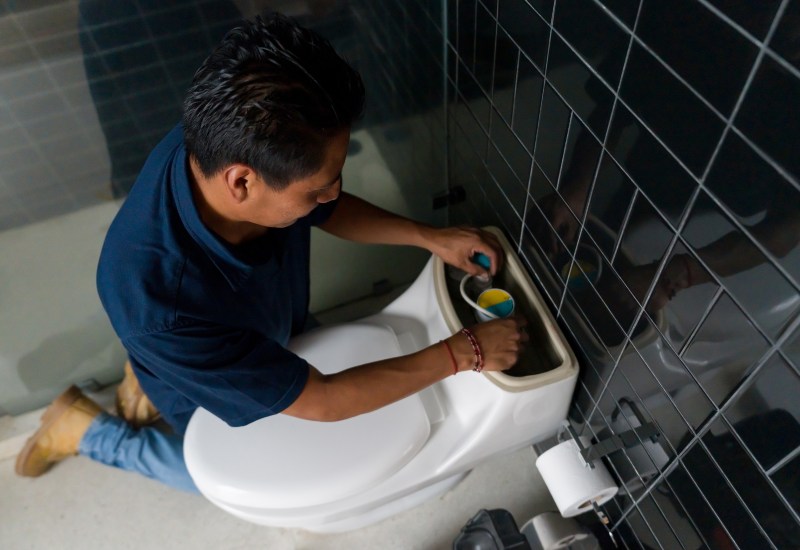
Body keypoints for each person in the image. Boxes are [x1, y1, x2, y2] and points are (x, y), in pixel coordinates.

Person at [15, 13, 527, 492]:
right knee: (224, 479)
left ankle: (144, 377)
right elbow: (322, 401)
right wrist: (465, 353)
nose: (332, 195)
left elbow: (325, 208)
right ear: (242, 182)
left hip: (241, 328)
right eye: (319, 188)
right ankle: (88, 431)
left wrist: (429, 237)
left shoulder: (224, 137)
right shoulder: (159, 306)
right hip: (192, 374)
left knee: (194, 350)